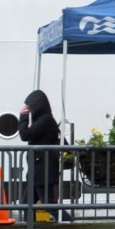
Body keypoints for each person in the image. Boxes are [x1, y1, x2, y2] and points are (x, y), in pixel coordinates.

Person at [19, 89, 67, 221]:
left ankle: (71, 225)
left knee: (48, 204)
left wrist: (22, 117)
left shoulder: (45, 120)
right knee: (26, 204)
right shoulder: (44, 119)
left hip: (43, 170)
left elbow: (25, 135)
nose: (29, 110)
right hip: (38, 169)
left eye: (30, 107)